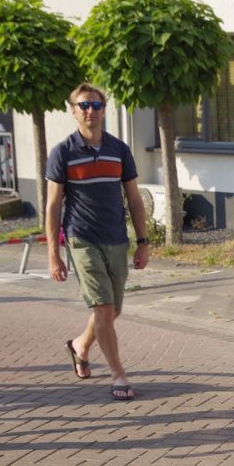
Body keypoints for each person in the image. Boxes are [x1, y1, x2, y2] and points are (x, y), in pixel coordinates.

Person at [45, 83, 149, 401]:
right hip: (82, 238)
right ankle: (119, 375)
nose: (90, 110)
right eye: (84, 105)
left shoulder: (119, 150)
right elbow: (53, 206)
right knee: (103, 308)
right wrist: (53, 254)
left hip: (116, 238)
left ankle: (80, 345)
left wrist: (143, 241)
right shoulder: (63, 153)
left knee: (112, 310)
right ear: (73, 111)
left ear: (104, 110)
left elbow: (134, 198)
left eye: (96, 105)